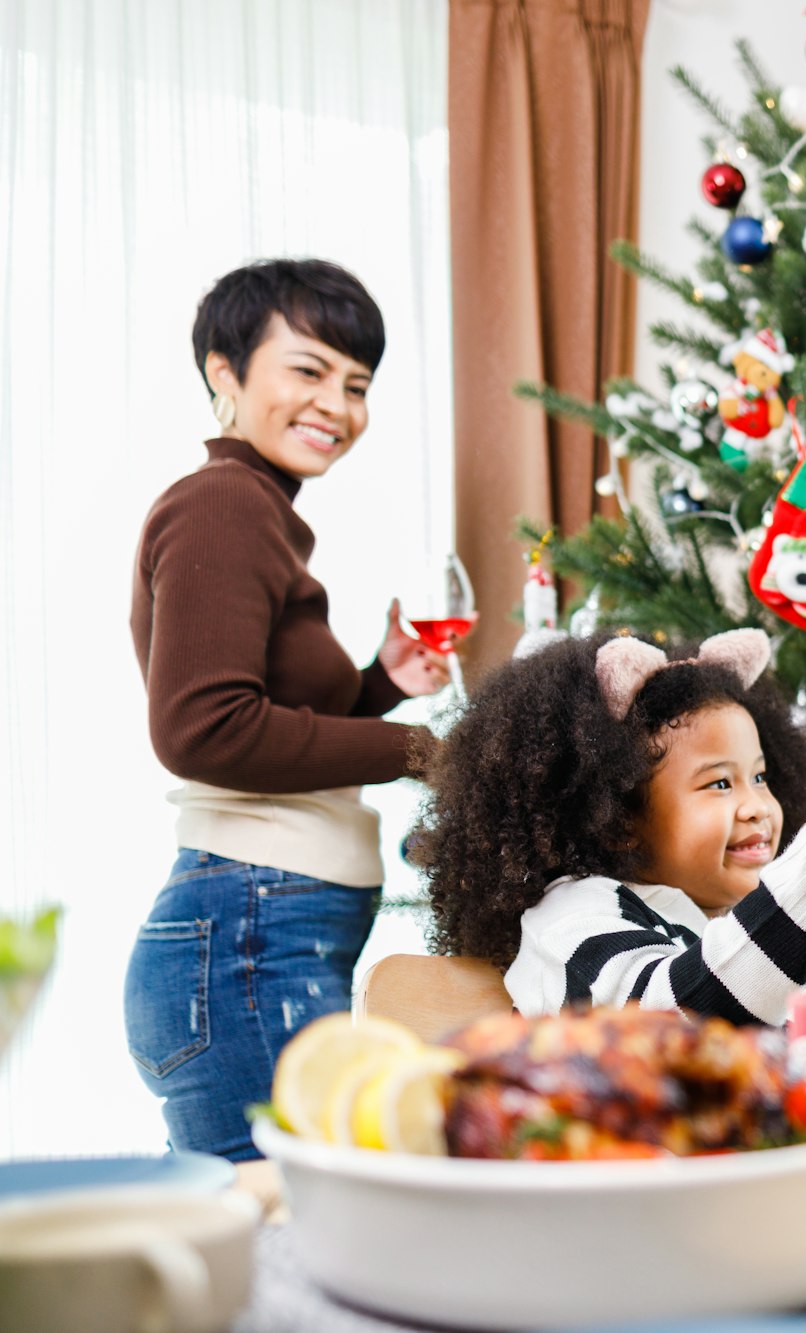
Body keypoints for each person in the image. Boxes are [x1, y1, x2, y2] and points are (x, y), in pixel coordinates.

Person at [127, 259, 448, 1161]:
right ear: (224, 372)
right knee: (289, 1223)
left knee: (283, 1219)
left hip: (253, 930)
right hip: (248, 933)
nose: (336, 406)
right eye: (308, 370)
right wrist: (416, 746)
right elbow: (205, 730)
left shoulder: (255, 509)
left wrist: (378, 683)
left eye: (357, 385)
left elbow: (276, 722)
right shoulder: (223, 502)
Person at [410, 629, 806, 1022]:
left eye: (759, 777)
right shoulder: (572, 920)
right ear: (618, 819)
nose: (757, 806)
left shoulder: (744, 921)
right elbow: (681, 1020)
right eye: (719, 783)